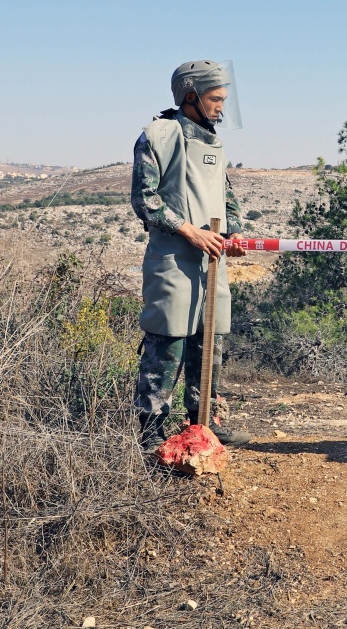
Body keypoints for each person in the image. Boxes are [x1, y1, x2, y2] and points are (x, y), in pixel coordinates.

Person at [131, 59, 251, 449]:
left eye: (224, 99)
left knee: (208, 343)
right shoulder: (159, 135)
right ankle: (150, 436)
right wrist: (189, 231)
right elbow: (144, 201)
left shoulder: (214, 141)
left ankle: (203, 427)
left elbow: (226, 199)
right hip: (173, 260)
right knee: (168, 344)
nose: (221, 107)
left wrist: (233, 235)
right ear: (190, 96)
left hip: (211, 263)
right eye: (215, 99)